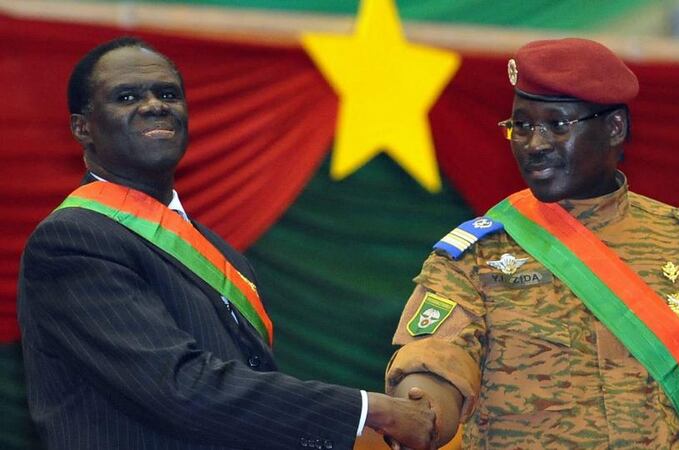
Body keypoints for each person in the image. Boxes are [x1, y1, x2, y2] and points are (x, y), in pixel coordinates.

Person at [17, 37, 435, 450]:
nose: (154, 105)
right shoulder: (73, 240)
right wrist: (368, 411)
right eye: (126, 97)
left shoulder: (219, 251)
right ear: (82, 127)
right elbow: (177, 387)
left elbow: (248, 392)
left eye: (168, 94)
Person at [385, 38, 679, 449]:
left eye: (557, 125)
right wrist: (422, 409)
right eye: (523, 125)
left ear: (614, 128)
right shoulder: (476, 259)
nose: (535, 145)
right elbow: (436, 363)